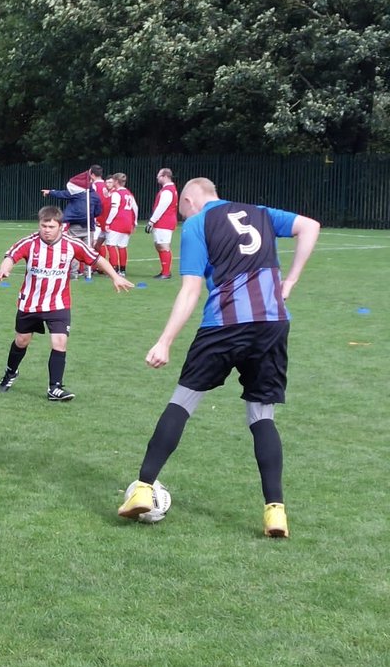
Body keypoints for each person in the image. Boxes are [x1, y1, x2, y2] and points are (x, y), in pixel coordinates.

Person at [117, 178, 320, 538]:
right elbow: (310, 226)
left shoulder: (198, 223)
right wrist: (290, 281)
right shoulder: (260, 212)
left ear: (190, 200)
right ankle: (275, 512)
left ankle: (144, 488)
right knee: (262, 415)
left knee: (182, 402)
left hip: (224, 324)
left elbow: (191, 289)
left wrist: (164, 341)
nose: (183, 217)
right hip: (271, 323)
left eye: (182, 211)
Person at [0, 206, 133, 401]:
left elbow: (97, 259)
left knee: (59, 342)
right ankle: (10, 373)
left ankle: (55, 388)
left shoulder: (72, 244)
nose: (46, 230)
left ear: (60, 226)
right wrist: (4, 269)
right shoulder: (29, 242)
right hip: (31, 303)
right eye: (43, 226)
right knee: (22, 341)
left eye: (51, 227)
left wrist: (115, 276)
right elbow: (11, 256)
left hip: (58, 303)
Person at [102, 172, 139, 276]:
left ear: (116, 181)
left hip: (118, 222)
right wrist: (134, 222)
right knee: (122, 246)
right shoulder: (128, 193)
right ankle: (122, 270)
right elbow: (135, 208)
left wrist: (108, 222)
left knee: (111, 245)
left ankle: (114, 268)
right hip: (127, 222)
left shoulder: (116, 193)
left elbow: (114, 209)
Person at [145, 168, 179, 279]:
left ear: (165, 176)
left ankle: (166, 273)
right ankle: (164, 271)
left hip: (164, 221)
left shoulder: (167, 190)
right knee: (159, 245)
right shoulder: (169, 189)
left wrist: (152, 221)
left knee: (163, 246)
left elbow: (162, 207)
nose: (157, 177)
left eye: (159, 175)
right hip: (164, 221)